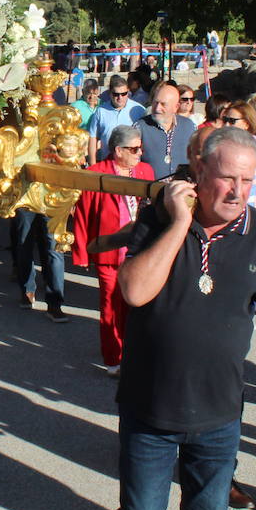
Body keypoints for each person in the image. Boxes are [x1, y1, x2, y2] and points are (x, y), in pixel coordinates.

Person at [106, 127, 256, 510]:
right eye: (227, 178)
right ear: (199, 171)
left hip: (219, 415)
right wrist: (178, 223)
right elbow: (134, 291)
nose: (238, 191)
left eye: (248, 180)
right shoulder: (160, 218)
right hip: (150, 408)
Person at [73, 125, 153, 374]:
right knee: (110, 305)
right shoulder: (96, 173)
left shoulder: (145, 171)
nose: (140, 153)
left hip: (139, 252)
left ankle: (135, 352)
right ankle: (114, 358)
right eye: (134, 149)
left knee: (138, 305)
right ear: (118, 150)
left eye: (141, 148)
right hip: (109, 253)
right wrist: (82, 252)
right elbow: (83, 215)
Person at [136, 82, 197, 180]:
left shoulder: (190, 126)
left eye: (163, 104)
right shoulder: (140, 127)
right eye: (155, 103)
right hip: (150, 190)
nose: (157, 108)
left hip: (182, 190)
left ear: (176, 107)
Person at [88, 75, 148, 164]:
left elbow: (146, 139)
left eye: (123, 94)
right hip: (107, 163)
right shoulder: (100, 111)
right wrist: (92, 164)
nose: (120, 97)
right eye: (116, 94)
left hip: (132, 164)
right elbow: (93, 138)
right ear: (110, 93)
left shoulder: (139, 110)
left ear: (128, 92)